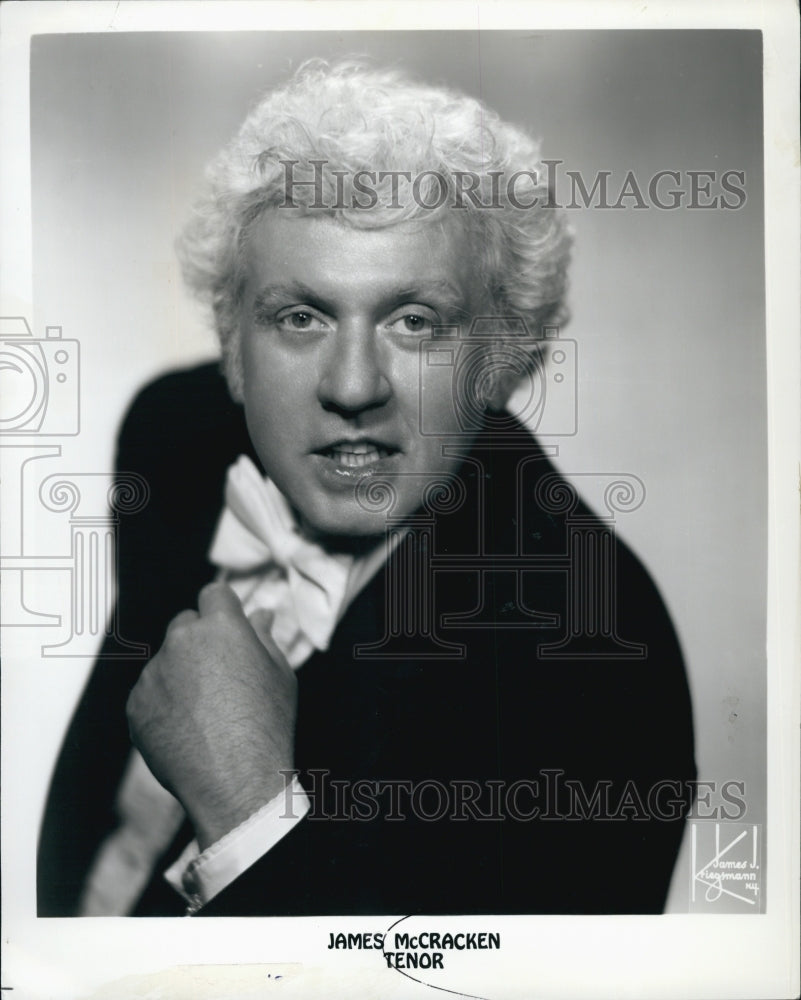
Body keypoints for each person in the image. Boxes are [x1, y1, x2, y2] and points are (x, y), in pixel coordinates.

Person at [38, 59, 696, 917]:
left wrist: (248, 813)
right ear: (234, 342)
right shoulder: (175, 436)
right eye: (300, 317)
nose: (352, 387)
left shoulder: (601, 666)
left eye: (414, 321)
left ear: (503, 355)